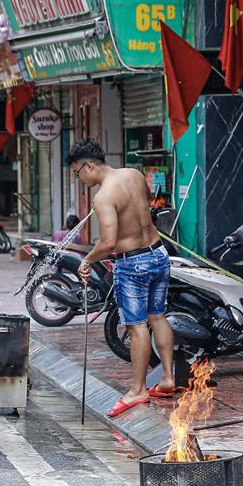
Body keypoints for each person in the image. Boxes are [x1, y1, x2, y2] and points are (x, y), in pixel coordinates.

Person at [66, 139, 175, 417]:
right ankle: (167, 377)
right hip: (159, 253)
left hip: (133, 263)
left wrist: (88, 259)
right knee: (157, 316)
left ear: (89, 165)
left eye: (78, 173)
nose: (80, 179)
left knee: (137, 326)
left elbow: (109, 241)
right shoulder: (134, 175)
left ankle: (138, 390)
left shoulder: (103, 197)